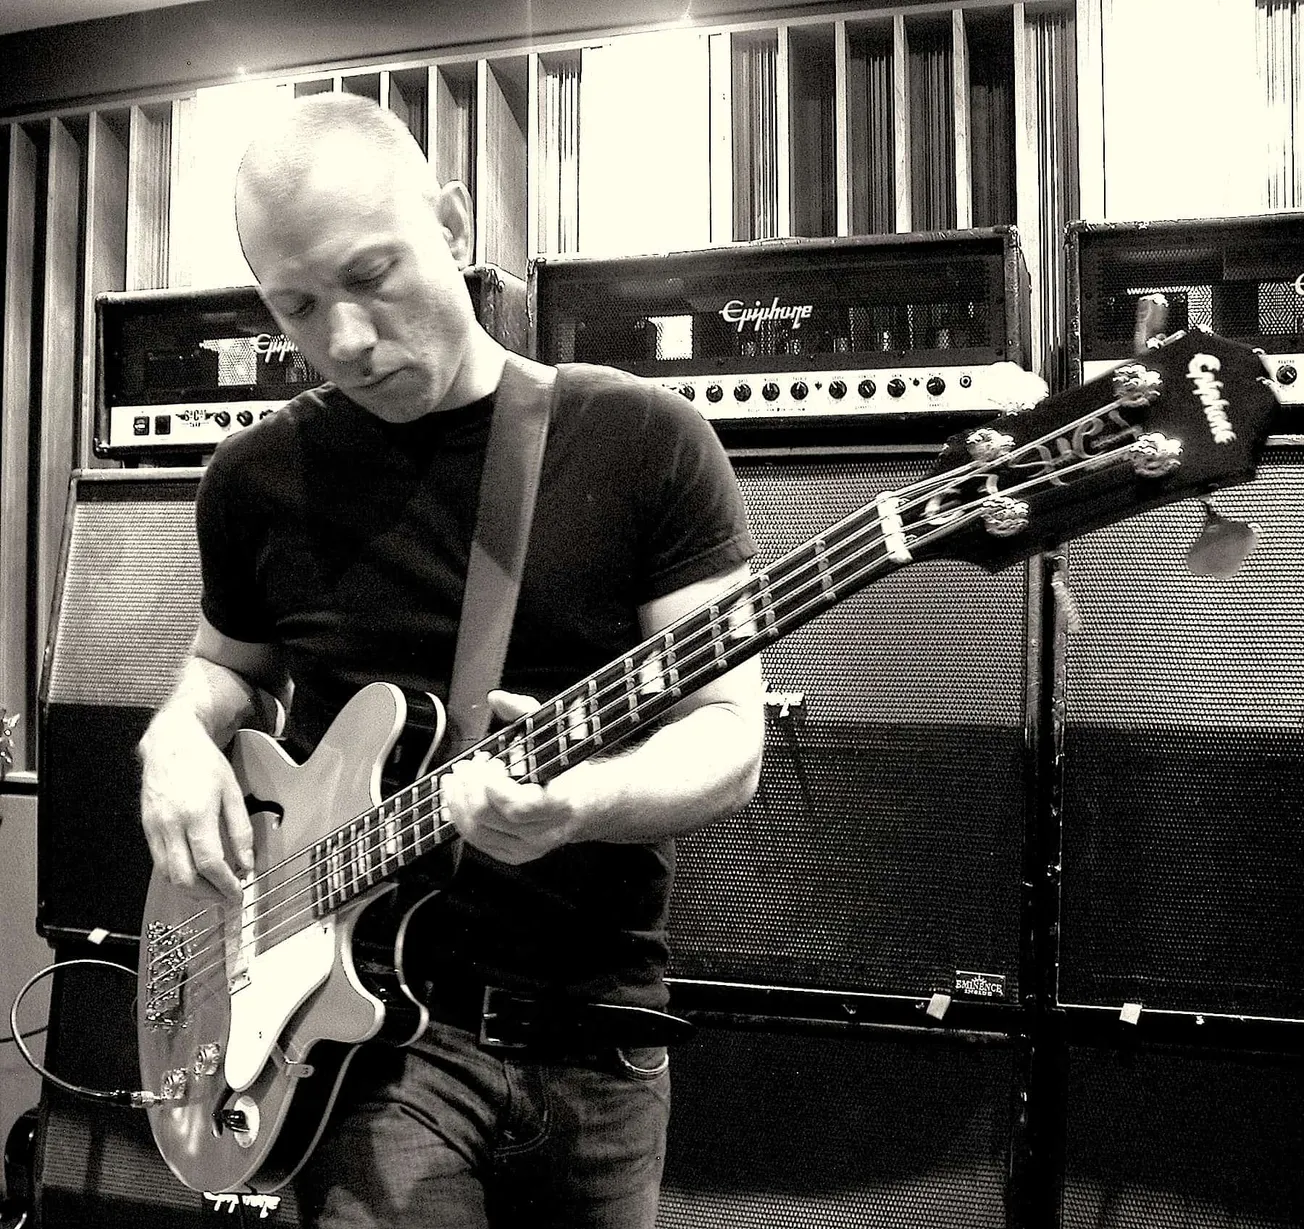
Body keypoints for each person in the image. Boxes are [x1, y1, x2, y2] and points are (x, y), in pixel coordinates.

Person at [136, 91, 765, 1229]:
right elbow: (222, 670)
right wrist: (175, 736)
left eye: (371, 275)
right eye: (296, 307)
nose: (344, 342)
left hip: (596, 1037)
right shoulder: (255, 478)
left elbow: (728, 737)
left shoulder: (642, 442)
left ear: (457, 225)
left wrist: (578, 802)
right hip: (368, 1049)